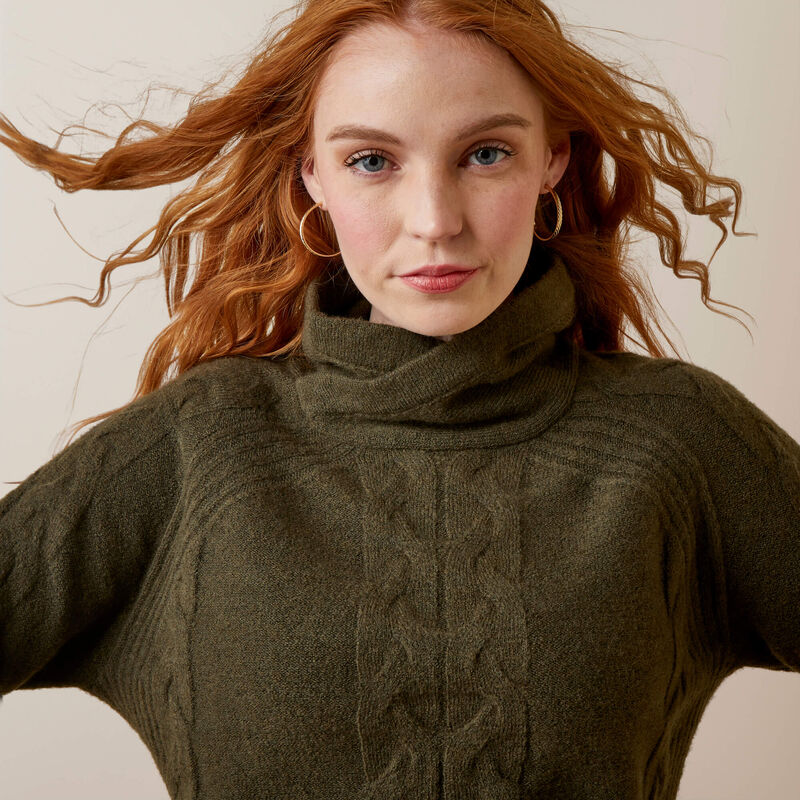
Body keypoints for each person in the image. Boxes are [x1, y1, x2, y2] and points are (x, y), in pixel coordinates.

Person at [0, 0, 797, 798]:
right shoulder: (201, 445)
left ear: (551, 160)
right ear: (312, 173)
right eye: (372, 161)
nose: (435, 221)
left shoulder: (675, 439)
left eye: (485, 154)